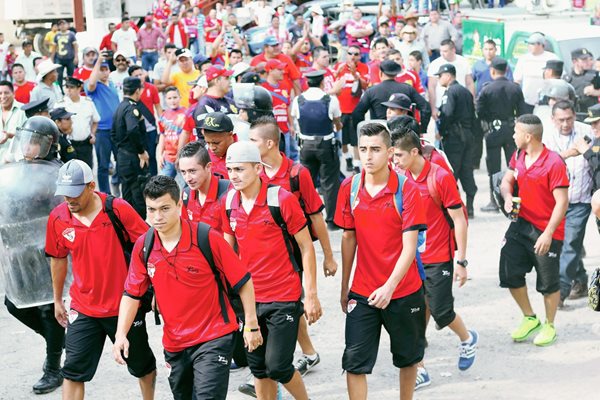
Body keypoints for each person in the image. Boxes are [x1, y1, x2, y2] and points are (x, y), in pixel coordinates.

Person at [114, 175, 262, 400]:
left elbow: (243, 280)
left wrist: (251, 324)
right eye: (151, 210)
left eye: (164, 208)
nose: (157, 217)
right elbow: (132, 293)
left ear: (179, 205)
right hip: (175, 344)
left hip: (214, 335)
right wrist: (121, 334)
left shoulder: (206, 237)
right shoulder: (144, 246)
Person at [46, 159, 157, 400]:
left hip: (125, 305)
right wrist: (57, 299)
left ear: (91, 186)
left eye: (74, 193)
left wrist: (158, 290)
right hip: (84, 307)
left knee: (141, 365)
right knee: (73, 370)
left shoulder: (117, 209)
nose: (69, 200)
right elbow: (57, 258)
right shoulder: (58, 218)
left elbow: (150, 246)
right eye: (65, 194)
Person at [221, 141, 322, 400]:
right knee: (259, 368)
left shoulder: (281, 200)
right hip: (250, 299)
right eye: (230, 169)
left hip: (283, 296)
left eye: (240, 169)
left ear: (258, 168)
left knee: (278, 365)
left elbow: (306, 247)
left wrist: (310, 294)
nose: (234, 175)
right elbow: (227, 253)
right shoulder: (230, 201)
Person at [334, 122, 426, 400]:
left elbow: (409, 248)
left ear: (390, 153)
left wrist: (389, 287)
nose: (368, 156)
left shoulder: (407, 190)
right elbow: (349, 240)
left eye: (375, 149)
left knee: (408, 359)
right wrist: (344, 287)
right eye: (363, 149)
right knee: (354, 363)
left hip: (404, 290)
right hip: (362, 293)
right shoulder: (349, 188)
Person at [249, 116, 338, 375]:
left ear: (269, 143)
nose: (248, 145)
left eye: (252, 141)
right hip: (268, 253)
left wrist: (328, 256)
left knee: (289, 302)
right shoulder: (254, 173)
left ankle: (287, 362)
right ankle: (305, 354)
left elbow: (315, 217)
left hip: (296, 252)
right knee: (289, 304)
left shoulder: (298, 174)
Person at [392, 126, 478, 390]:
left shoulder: (439, 177)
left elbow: (459, 219)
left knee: (441, 311)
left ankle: (467, 338)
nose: (394, 161)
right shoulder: (399, 178)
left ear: (415, 152)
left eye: (398, 156)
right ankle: (420, 369)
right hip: (411, 258)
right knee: (413, 314)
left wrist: (461, 261)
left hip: (439, 256)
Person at [1, 116, 65, 394]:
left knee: (50, 310)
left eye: (36, 142)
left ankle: (53, 368)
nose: (29, 146)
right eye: (27, 140)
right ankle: (57, 342)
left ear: (48, 145)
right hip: (19, 250)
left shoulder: (56, 172)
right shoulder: (13, 170)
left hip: (47, 250)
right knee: (14, 304)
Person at [499, 114, 569, 347]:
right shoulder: (519, 154)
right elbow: (506, 180)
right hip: (521, 225)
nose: (513, 135)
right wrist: (508, 197)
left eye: (516, 132)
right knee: (509, 272)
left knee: (548, 283)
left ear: (528, 136)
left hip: (546, 229)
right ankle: (530, 318)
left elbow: (562, 202)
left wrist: (548, 233)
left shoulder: (553, 162)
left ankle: (549, 324)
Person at [542, 100, 593, 307]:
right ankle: (580, 280)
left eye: (569, 119)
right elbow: (542, 162)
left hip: (581, 199)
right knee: (563, 243)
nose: (566, 124)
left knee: (571, 243)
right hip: (556, 201)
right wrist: (567, 154)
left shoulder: (587, 131)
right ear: (553, 119)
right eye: (561, 120)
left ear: (575, 116)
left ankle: (559, 294)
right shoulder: (546, 136)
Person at [291, 70, 342, 230]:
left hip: (305, 145)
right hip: (325, 144)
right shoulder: (330, 100)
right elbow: (337, 122)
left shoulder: (298, 100)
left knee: (307, 183)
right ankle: (332, 221)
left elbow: (295, 119)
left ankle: (306, 218)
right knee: (329, 182)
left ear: (307, 83)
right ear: (322, 83)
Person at [476, 57, 527, 212]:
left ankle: (495, 201)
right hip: (512, 130)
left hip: (493, 131)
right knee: (515, 166)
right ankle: (516, 198)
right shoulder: (515, 88)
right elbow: (523, 112)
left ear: (492, 71)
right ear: (506, 71)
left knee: (494, 167)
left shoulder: (487, 89)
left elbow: (479, 111)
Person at [437, 64, 478, 218]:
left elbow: (447, 114)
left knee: (451, 170)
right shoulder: (466, 92)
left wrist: (441, 131)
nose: (439, 79)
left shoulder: (450, 92)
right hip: (467, 135)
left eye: (440, 75)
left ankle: (452, 207)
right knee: (467, 169)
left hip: (454, 136)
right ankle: (470, 206)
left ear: (448, 75)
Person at [353, 60, 431, 134]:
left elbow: (357, 113)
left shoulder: (372, 91)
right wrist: (421, 129)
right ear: (396, 74)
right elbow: (426, 108)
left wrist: (364, 133)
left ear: (380, 73)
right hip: (402, 134)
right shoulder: (407, 89)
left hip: (379, 134)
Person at [111, 77, 150, 218]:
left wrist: (122, 150)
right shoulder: (132, 108)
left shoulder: (120, 107)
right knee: (138, 193)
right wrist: (140, 151)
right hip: (133, 157)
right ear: (137, 91)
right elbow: (133, 130)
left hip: (122, 156)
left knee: (127, 194)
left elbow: (113, 134)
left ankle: (128, 225)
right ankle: (140, 229)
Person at [85, 54, 120, 194]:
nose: (104, 72)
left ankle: (116, 182)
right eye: (101, 69)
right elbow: (92, 83)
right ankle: (105, 194)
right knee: (103, 165)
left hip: (116, 130)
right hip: (102, 131)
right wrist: (98, 61)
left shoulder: (111, 83)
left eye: (106, 69)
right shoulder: (93, 85)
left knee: (121, 161)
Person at [332, 45, 370, 173]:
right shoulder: (339, 67)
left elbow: (366, 86)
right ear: (346, 54)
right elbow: (332, 85)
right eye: (350, 53)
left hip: (356, 110)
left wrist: (356, 75)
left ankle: (356, 165)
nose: (353, 56)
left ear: (360, 56)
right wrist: (336, 73)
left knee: (356, 140)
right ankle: (347, 159)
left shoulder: (364, 68)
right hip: (341, 110)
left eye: (356, 54)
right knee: (343, 140)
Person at [427, 39, 474, 121]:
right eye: (441, 51)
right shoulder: (435, 64)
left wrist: (472, 102)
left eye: (445, 51)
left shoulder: (463, 62)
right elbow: (431, 87)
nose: (442, 54)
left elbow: (469, 83)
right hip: (441, 104)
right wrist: (433, 107)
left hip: (461, 104)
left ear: (453, 50)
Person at [57, 77, 99, 168]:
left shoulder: (88, 102)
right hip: (68, 144)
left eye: (72, 88)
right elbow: (55, 123)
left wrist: (92, 133)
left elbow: (95, 121)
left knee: (86, 172)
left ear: (79, 88)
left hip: (85, 145)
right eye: (67, 87)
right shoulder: (61, 104)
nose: (69, 90)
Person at [129, 65, 162, 176]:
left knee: (152, 155)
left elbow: (158, 107)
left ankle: (154, 178)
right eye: (136, 76)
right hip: (137, 129)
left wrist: (161, 125)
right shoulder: (131, 91)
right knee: (140, 155)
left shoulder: (152, 88)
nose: (139, 77)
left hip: (151, 128)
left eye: (141, 74)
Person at [513, 33, 559, 113]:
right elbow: (517, 80)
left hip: (546, 102)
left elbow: (558, 78)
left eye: (531, 44)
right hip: (527, 102)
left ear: (540, 45)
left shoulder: (552, 58)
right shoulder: (523, 59)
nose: (528, 46)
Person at [260, 59, 295, 160]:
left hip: (285, 130)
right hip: (270, 133)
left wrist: (291, 125)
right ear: (270, 70)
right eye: (279, 69)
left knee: (286, 159)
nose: (283, 72)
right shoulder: (263, 88)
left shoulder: (284, 86)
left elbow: (287, 106)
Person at [157, 86, 186, 177]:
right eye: (169, 98)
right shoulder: (164, 115)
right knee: (163, 183)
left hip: (183, 156)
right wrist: (160, 155)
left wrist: (180, 155)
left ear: (180, 98)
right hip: (168, 158)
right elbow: (162, 135)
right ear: (165, 99)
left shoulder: (186, 113)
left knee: (186, 185)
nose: (172, 100)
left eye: (175, 97)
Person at [565, 48, 600, 114]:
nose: (588, 62)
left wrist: (596, 92)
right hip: (577, 114)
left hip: (594, 114)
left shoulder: (595, 74)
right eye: (584, 60)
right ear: (574, 61)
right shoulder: (567, 78)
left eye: (588, 59)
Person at [0, 80, 28, 162]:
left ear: (13, 94)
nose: (3, 96)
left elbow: (28, 135)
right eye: (0, 93)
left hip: (15, 162)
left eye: (6, 93)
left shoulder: (23, 109)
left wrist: (10, 135)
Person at [51, 20, 78, 92]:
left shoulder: (71, 34)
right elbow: (54, 47)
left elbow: (75, 46)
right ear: (58, 26)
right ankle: (60, 91)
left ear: (67, 25)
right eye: (60, 25)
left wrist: (76, 56)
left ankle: (71, 89)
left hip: (70, 58)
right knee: (59, 75)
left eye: (63, 24)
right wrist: (52, 58)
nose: (62, 26)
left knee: (71, 75)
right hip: (60, 58)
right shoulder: (57, 35)